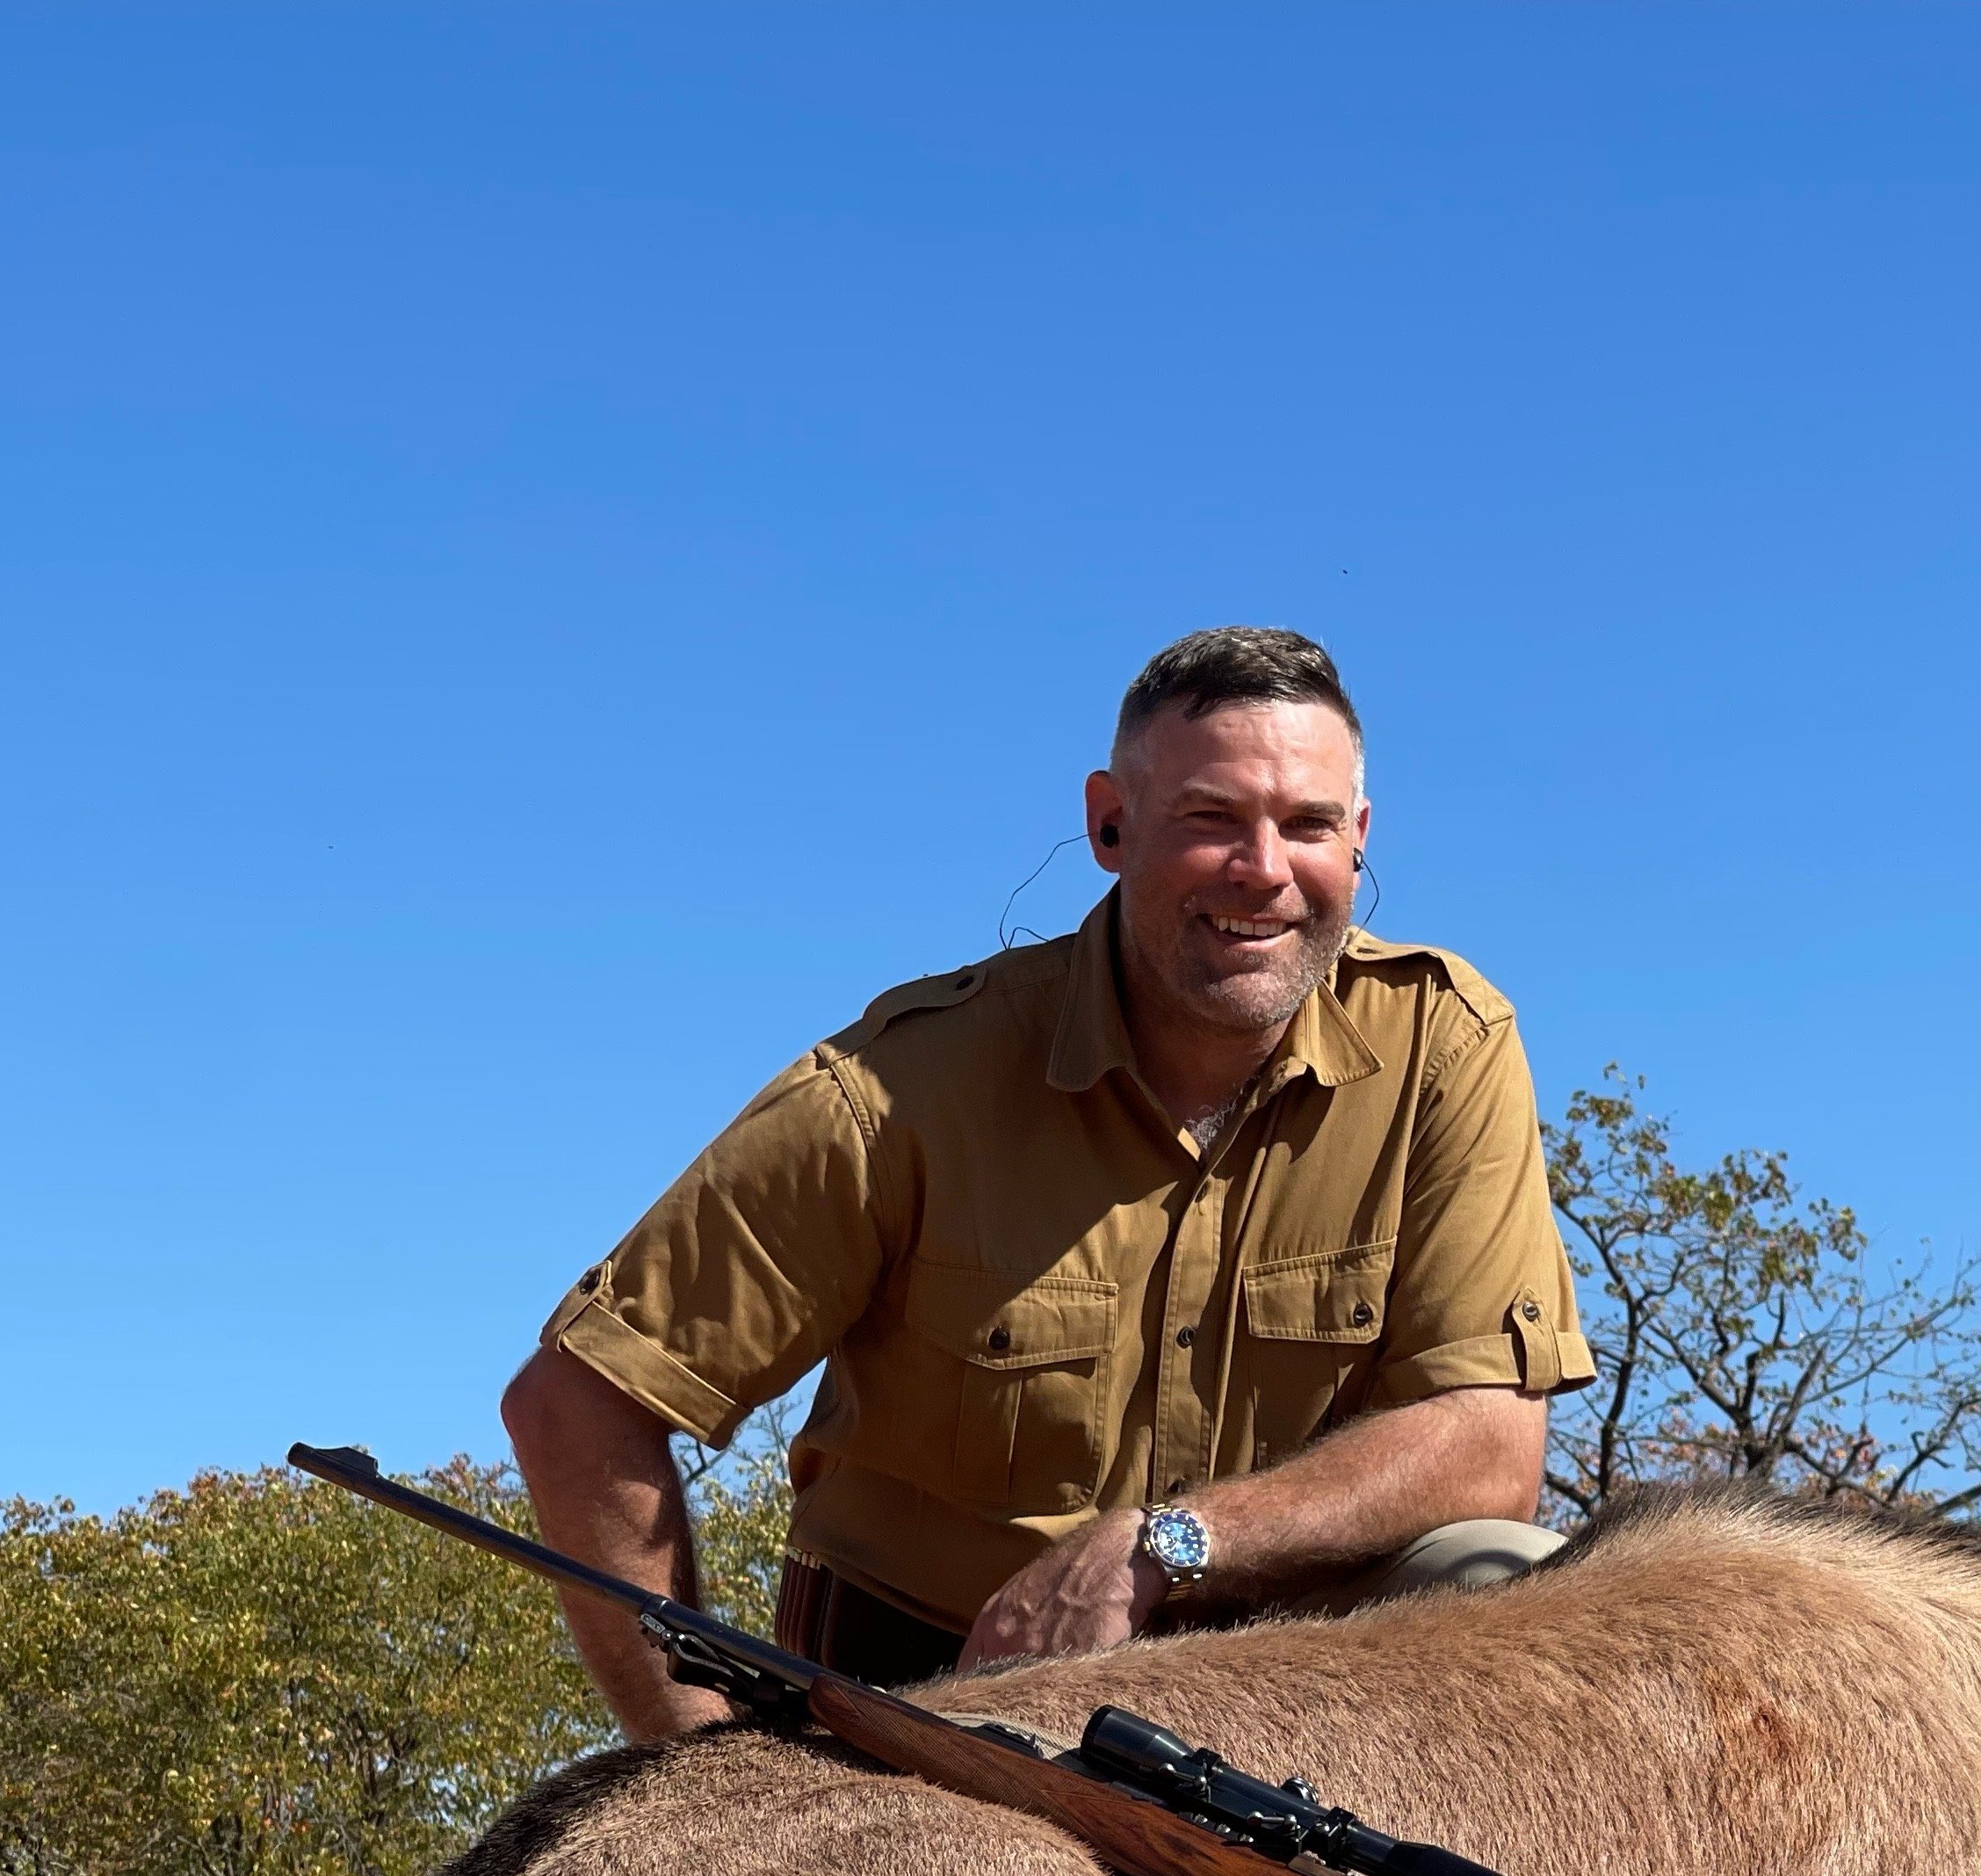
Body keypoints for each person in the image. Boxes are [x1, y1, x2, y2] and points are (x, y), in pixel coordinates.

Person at [502, 626, 1595, 1737]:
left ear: (1358, 841)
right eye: (1210, 818)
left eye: (1308, 825)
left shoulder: (1446, 1044)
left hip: (1287, 1690)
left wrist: (1165, 1544)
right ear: (1109, 825)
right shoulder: (899, 1088)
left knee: (1503, 1569)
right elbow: (575, 1403)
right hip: (940, 1684)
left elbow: (1487, 1446)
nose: (1264, 870)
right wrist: (694, 1742)